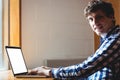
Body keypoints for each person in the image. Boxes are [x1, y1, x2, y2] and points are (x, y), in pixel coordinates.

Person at [29, 0, 120, 79]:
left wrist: (49, 72)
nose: (95, 23)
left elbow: (83, 70)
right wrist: (50, 70)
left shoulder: (116, 38)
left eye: (99, 17)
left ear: (111, 17)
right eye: (91, 19)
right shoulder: (107, 39)